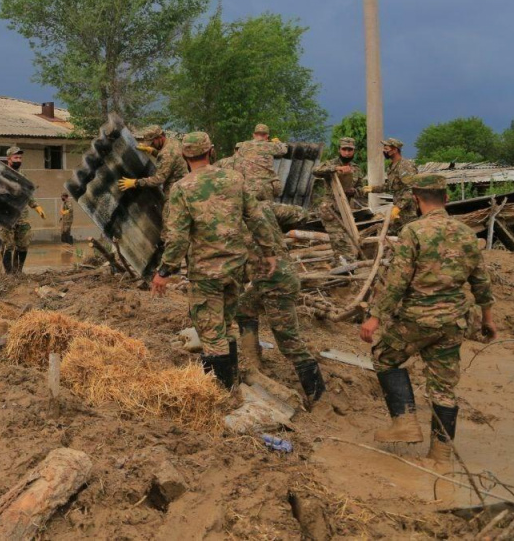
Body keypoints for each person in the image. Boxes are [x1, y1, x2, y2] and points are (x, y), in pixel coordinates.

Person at [360, 174, 496, 462]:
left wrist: (375, 317)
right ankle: (440, 451)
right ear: (446, 199)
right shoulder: (466, 233)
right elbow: (480, 281)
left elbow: (397, 281)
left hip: (415, 320)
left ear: (416, 199)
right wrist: (487, 318)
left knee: (385, 357)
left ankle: (405, 422)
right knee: (444, 386)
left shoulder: (413, 232)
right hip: (452, 322)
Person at [151, 132, 277, 390]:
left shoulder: (182, 188)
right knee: (227, 325)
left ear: (185, 156)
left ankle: (218, 394)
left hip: (206, 274)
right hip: (235, 269)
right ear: (211, 152)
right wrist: (269, 251)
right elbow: (256, 217)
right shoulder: (234, 179)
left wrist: (164, 271)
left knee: (211, 334)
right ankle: (231, 383)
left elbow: (177, 237)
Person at [214, 155, 329, 409]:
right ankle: (254, 364)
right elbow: (299, 213)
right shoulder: (264, 208)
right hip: (268, 280)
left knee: (289, 343)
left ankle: (319, 399)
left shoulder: (240, 216)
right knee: (244, 307)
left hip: (277, 283)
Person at [312, 137, 366, 261]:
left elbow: (361, 189)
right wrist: (336, 169)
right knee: (339, 240)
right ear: (339, 150)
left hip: (346, 210)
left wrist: (354, 191)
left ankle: (343, 264)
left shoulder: (356, 168)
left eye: (350, 150)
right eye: (344, 149)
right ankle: (345, 265)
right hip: (331, 210)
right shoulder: (331, 164)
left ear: (354, 151)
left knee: (346, 239)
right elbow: (315, 170)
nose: (347, 152)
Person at [0, 146, 46, 274]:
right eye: (16, 157)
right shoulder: (1, 174)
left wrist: (36, 206)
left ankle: (18, 271)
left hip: (22, 216)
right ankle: (9, 274)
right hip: (6, 217)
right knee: (7, 246)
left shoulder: (23, 175)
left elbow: (27, 194)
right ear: (9, 159)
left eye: (20, 157)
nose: (18, 160)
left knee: (23, 244)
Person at [118, 125, 188, 200]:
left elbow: (158, 180)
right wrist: (152, 151)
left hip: (176, 192)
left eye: (152, 143)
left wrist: (135, 183)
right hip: (183, 184)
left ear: (160, 137)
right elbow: (170, 160)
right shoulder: (172, 142)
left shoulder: (167, 154)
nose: (151, 145)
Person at [366, 137, 419, 234]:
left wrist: (398, 207)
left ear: (395, 150)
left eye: (386, 149)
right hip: (400, 211)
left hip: (409, 211)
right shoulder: (392, 166)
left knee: (410, 236)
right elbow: (390, 186)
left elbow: (411, 188)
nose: (384, 151)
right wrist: (373, 189)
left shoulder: (405, 165)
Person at [234, 123, 288, 202]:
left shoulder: (244, 145)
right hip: (266, 187)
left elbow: (236, 159)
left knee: (249, 211)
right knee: (268, 211)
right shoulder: (271, 146)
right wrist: (278, 142)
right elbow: (284, 150)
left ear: (254, 135)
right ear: (267, 136)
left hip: (249, 188)